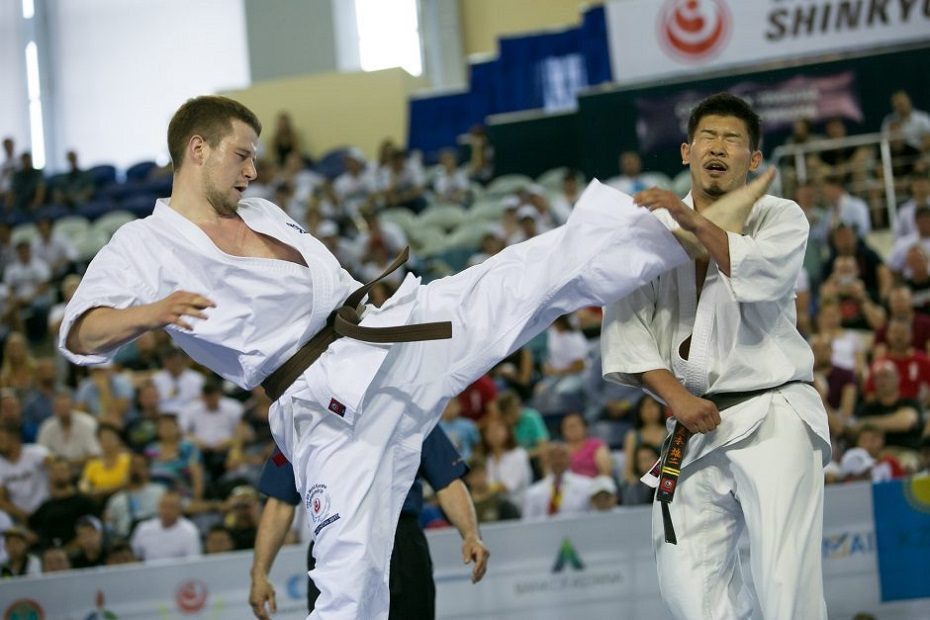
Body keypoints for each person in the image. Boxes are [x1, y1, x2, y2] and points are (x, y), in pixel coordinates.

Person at [58, 95, 772, 619]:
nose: (252, 169)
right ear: (198, 150)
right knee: (351, 584)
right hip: (329, 412)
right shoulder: (144, 246)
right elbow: (82, 332)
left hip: (392, 333)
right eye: (241, 154)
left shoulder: (263, 214)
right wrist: (147, 313)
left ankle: (679, 231)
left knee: (527, 272)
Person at [602, 93, 830, 619]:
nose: (718, 147)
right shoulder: (649, 234)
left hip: (772, 412)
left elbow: (763, 279)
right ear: (686, 151)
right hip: (695, 424)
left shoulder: (780, 216)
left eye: (733, 140)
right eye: (708, 137)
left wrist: (692, 219)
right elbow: (625, 326)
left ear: (753, 161)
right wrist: (676, 397)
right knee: (691, 589)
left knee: (783, 579)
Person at [249, 425, 487, 620]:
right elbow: (280, 503)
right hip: (334, 545)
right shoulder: (301, 419)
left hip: (399, 540)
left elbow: (447, 480)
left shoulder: (408, 406)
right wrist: (259, 573)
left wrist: (470, 534)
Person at [521, 442, 592, 520]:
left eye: (562, 456)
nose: (558, 460)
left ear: (570, 458)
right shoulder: (533, 493)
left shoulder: (587, 486)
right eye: (553, 456)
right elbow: (528, 523)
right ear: (546, 460)